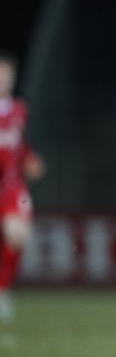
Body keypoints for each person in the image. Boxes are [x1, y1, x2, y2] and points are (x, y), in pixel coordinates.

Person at [0, 50, 45, 323]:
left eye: (7, 75)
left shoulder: (19, 109)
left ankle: (2, 290)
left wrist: (30, 159)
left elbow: (20, 145)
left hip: (12, 186)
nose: (3, 79)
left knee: (18, 236)